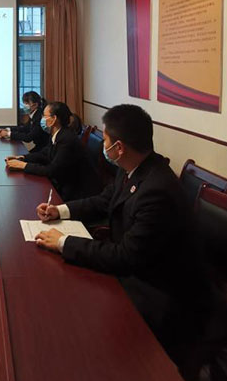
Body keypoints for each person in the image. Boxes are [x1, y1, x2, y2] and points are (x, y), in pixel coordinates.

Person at [34, 104, 210, 364]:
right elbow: (104, 200)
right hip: (139, 271)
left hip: (163, 293)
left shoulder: (157, 190)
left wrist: (63, 242)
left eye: (105, 140)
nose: (103, 146)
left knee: (82, 323)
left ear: (119, 148)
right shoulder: (134, 168)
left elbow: (126, 257)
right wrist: (59, 210)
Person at [5, 101, 101, 201]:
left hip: (77, 194)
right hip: (64, 185)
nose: (42, 119)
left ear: (54, 119)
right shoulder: (58, 134)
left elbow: (52, 170)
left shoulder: (67, 139)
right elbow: (44, 154)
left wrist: (23, 166)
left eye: (44, 116)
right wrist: (22, 158)